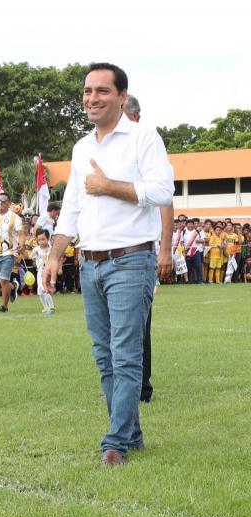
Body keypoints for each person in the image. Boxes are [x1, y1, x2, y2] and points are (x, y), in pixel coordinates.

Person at [44, 63, 173, 466]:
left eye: (102, 91)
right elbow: (72, 207)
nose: (92, 98)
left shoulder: (142, 137)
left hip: (131, 261)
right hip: (90, 264)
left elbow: (163, 189)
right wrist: (54, 255)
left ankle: (114, 441)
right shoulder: (83, 148)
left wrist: (110, 187)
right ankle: (131, 434)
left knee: (126, 355)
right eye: (87, 91)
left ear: (121, 96)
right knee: (105, 356)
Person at [124, 95, 173, 404]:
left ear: (136, 116)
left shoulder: (147, 147)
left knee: (138, 325)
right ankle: (124, 385)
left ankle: (142, 387)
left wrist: (165, 250)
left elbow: (166, 201)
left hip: (140, 253)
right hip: (108, 252)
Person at [30, 229, 55, 314]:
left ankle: (51, 307)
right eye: (39, 240)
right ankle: (45, 307)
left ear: (48, 238)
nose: (41, 241)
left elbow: (56, 259)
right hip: (40, 271)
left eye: (43, 239)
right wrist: (35, 262)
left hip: (49, 271)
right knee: (40, 291)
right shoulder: (36, 249)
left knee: (45, 288)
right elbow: (31, 256)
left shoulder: (52, 249)